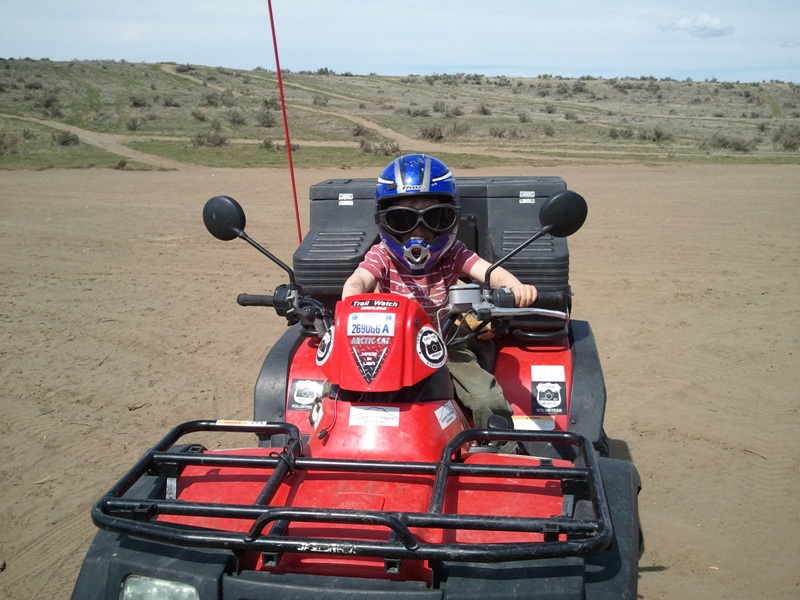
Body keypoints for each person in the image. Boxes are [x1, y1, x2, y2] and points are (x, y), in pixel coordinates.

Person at [341, 154, 537, 428]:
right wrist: (352, 304)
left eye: (434, 218)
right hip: (388, 346)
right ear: (385, 221)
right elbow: (357, 281)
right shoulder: (382, 255)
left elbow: (489, 272)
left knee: (485, 398)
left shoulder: (453, 253)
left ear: (450, 218)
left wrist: (514, 287)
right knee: (338, 391)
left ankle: (499, 450)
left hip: (444, 344)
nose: (418, 232)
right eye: (402, 220)